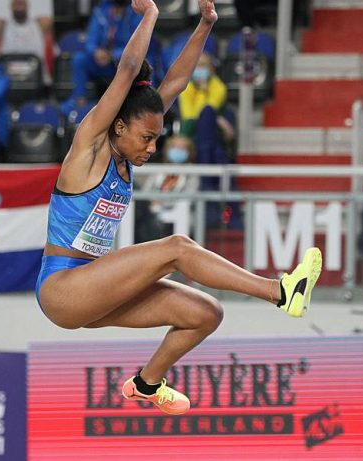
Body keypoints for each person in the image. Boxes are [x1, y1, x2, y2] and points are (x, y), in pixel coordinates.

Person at [35, 0, 322, 416]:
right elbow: (128, 69)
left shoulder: (133, 137)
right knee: (177, 248)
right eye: (146, 139)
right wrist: (151, 14)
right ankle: (280, 292)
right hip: (63, 287)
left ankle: (146, 384)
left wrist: (206, 23)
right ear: (119, 126)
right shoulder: (91, 146)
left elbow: (178, 81)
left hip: (96, 288)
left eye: (157, 139)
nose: (153, 148)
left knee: (205, 313)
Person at [61, 0, 159, 115]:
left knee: (145, 61)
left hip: (125, 63)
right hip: (104, 62)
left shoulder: (136, 13)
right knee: (79, 60)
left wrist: (112, 55)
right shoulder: (101, 11)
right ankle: (80, 101)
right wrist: (96, 52)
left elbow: (139, 45)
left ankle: (140, 103)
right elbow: (90, 41)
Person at [137, 135, 200, 242]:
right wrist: (152, 202)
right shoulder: (159, 170)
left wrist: (163, 203)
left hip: (179, 214)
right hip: (154, 212)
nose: (177, 151)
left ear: (189, 152)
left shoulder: (192, 173)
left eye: (182, 148)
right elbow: (146, 191)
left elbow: (189, 196)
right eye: (175, 147)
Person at [0, 0, 52, 84]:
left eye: (21, 3)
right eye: (16, 3)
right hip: (9, 80)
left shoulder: (41, 24)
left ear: (27, 5)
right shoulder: (1, 26)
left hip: (37, 80)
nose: (19, 4)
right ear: (11, 6)